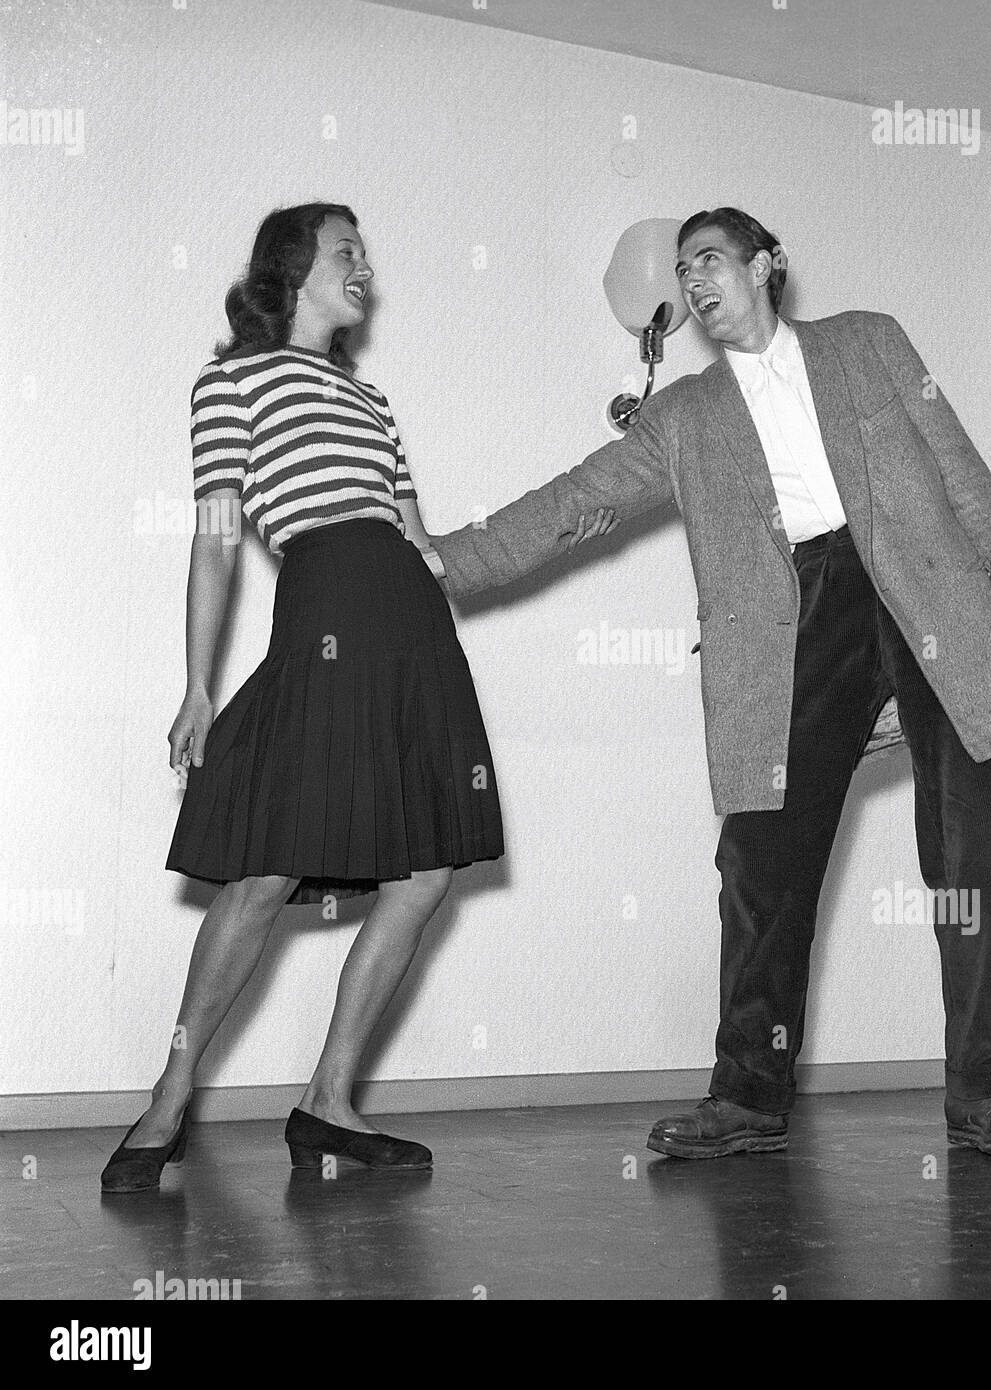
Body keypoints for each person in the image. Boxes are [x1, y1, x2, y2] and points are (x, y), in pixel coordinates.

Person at [426, 207, 991, 1161]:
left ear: (767, 265)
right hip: (794, 619)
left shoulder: (868, 342)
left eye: (709, 259)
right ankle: (748, 1096)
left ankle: (983, 1095)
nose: (694, 281)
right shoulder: (683, 416)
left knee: (972, 850)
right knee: (760, 862)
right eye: (683, 271)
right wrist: (447, 561)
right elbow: (572, 500)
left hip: (930, 592)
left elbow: (958, 465)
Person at [100, 202, 613, 1193]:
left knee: (423, 876)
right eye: (348, 251)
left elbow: (419, 537)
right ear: (292, 267)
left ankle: (329, 1100)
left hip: (412, 623)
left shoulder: (372, 401)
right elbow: (214, 542)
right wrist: (199, 682)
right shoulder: (230, 381)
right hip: (323, 602)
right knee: (264, 870)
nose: (365, 266)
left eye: (366, 252)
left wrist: (557, 523)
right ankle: (170, 1096)